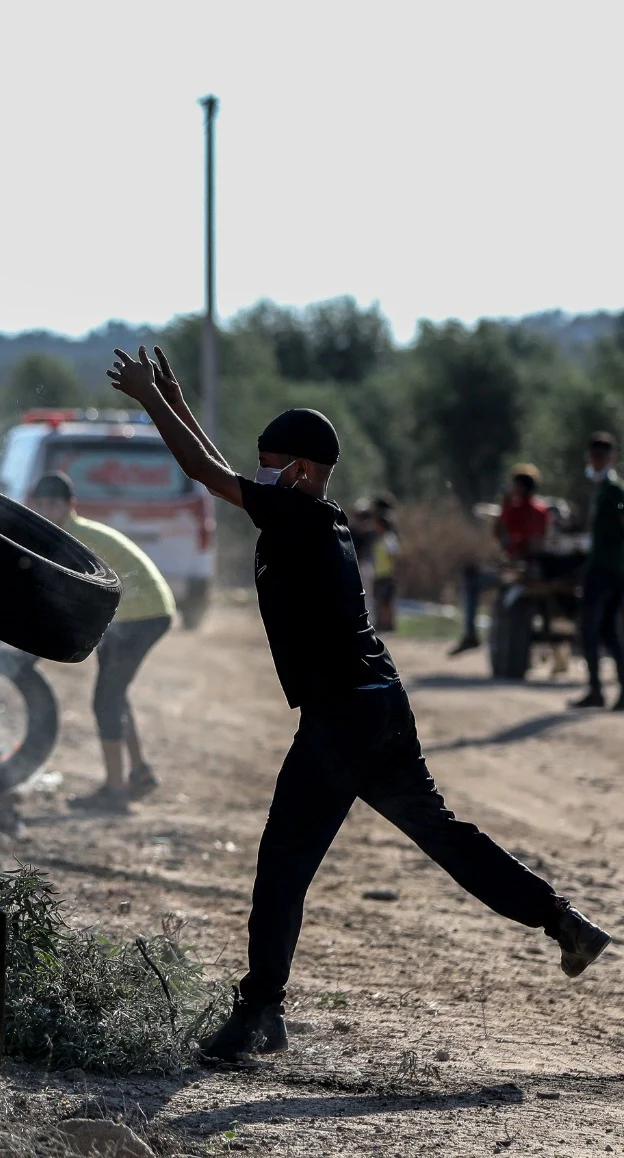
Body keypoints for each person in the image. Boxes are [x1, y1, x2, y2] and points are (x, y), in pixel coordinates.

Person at [103, 344, 612, 1063]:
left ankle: (259, 1014)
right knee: (445, 836)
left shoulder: (301, 518)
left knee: (283, 860)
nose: (264, 476)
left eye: (273, 465)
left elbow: (205, 474)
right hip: (379, 705)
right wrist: (179, 400)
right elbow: (222, 470)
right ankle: (562, 920)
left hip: (343, 717)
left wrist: (149, 401)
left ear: (302, 472)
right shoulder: (320, 517)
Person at [29, 472, 175, 805]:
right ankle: (138, 773)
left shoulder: (71, 539)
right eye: (41, 503)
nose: (46, 509)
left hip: (141, 615)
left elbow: (58, 606)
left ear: (70, 506)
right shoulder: (66, 535)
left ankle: (115, 790)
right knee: (115, 694)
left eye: (53, 504)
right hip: (130, 615)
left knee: (105, 699)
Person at [450, 465, 551, 655]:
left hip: (518, 568)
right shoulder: (542, 510)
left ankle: (470, 633)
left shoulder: (515, 509)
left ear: (520, 488)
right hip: (537, 567)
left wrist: (505, 507)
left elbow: (499, 533)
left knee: (471, 579)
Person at [570, 433, 624, 710]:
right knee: (607, 631)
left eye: (601, 457)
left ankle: (595, 690)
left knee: (590, 629)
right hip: (609, 567)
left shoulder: (613, 490)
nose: (596, 461)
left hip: (606, 569)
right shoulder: (603, 490)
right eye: (593, 456)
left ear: (610, 459)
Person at [369, 495, 400, 632]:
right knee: (380, 600)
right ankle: (383, 623)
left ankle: (388, 624)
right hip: (379, 573)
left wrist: (395, 572)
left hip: (387, 573)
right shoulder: (379, 539)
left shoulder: (389, 539)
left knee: (387, 601)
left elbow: (394, 556)